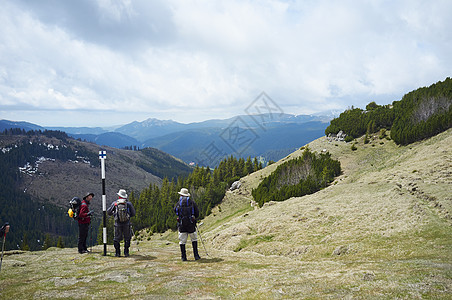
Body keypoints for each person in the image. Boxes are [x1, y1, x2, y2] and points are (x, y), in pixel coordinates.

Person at [107, 189, 136, 257]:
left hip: (117, 223)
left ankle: (117, 253)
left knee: (116, 238)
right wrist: (128, 216)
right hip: (127, 223)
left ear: (119, 196)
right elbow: (133, 213)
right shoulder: (128, 204)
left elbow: (109, 212)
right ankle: (126, 252)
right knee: (127, 238)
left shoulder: (115, 203)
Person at [174, 188, 200, 261]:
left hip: (182, 225)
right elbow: (197, 213)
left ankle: (183, 257)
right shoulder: (192, 202)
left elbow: (175, 211)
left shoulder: (178, 203)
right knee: (194, 239)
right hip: (191, 224)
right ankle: (196, 256)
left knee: (182, 241)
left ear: (181, 195)